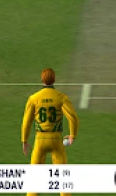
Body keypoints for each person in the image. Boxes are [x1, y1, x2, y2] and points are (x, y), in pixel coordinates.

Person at [21, 68, 79, 196]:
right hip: (56, 139)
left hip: (40, 140)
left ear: (42, 79)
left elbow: (26, 122)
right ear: (54, 79)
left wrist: (24, 140)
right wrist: (72, 135)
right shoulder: (61, 97)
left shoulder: (34, 98)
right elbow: (73, 118)